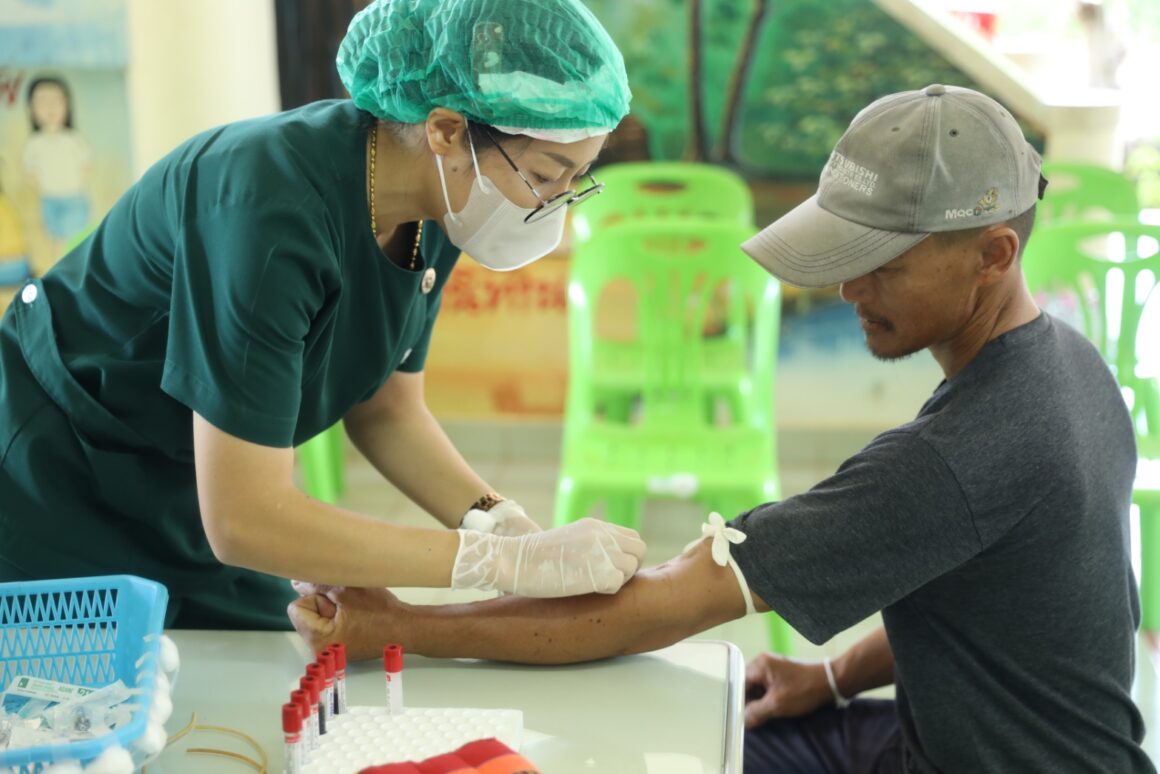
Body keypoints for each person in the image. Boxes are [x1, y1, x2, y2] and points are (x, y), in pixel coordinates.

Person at [289, 84, 1155, 773]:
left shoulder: (955, 458)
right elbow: (988, 596)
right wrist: (828, 675)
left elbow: (652, 609)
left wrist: (403, 628)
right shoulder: (1072, 370)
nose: (848, 290)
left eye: (879, 266)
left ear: (993, 255)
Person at [0, 0, 647, 629]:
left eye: (577, 179)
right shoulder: (266, 211)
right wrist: (499, 564)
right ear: (447, 130)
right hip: (55, 480)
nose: (556, 206)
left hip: (187, 485)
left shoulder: (444, 202)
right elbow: (246, 519)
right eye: (546, 175)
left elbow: (388, 413)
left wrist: (500, 522)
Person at [22, 75, 91, 260]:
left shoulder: (73, 139)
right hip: (49, 199)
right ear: (32, 109)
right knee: (54, 239)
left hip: (73, 198)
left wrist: (72, 184)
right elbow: (30, 171)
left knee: (74, 239)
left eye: (55, 101)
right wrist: (45, 187)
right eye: (43, 102)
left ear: (66, 106)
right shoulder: (35, 143)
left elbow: (85, 166)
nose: (50, 108)